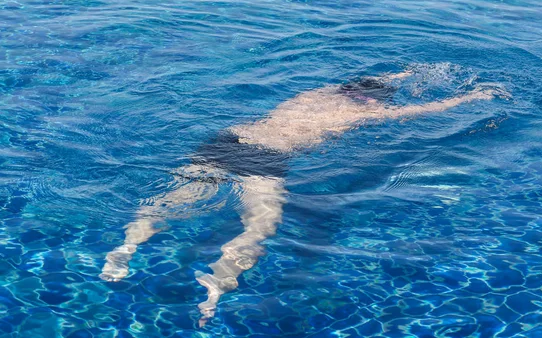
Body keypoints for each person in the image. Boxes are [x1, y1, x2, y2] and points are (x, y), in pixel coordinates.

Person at [100, 70, 504, 325]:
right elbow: (424, 111)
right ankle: (217, 288)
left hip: (226, 141)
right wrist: (473, 97)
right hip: (265, 159)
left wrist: (406, 73)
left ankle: (124, 248)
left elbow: (370, 85)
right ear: (374, 102)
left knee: (167, 203)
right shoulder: (361, 115)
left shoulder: (312, 94)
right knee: (260, 225)